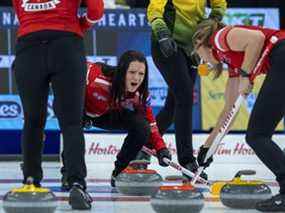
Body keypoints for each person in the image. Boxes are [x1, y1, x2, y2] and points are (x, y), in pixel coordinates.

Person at [12, 0, 104, 210]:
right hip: (67, 43)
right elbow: (96, 9)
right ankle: (76, 183)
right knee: (71, 122)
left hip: (29, 45)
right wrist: (83, 24)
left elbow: (20, 10)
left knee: (33, 120)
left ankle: (31, 180)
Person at [192, 19, 285, 212]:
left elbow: (257, 38)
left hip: (282, 54)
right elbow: (229, 110)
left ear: (200, 41)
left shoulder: (220, 37)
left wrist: (245, 75)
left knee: (257, 135)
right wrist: (208, 146)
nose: (201, 60)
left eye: (197, 53)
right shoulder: (231, 59)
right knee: (258, 135)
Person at [137, 0, 227, 179]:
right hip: (166, 43)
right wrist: (162, 34)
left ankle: (144, 146)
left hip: (192, 48)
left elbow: (220, 4)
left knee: (173, 106)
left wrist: (211, 22)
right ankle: (186, 160)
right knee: (185, 97)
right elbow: (154, 10)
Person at [61, 50, 172, 188]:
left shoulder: (140, 94)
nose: (136, 79)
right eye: (132, 72)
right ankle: (69, 173)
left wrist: (161, 148)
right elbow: (66, 88)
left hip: (105, 114)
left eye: (141, 74)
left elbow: (151, 123)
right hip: (77, 107)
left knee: (142, 127)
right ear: (122, 71)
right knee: (74, 129)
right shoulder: (95, 79)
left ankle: (119, 172)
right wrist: (77, 112)